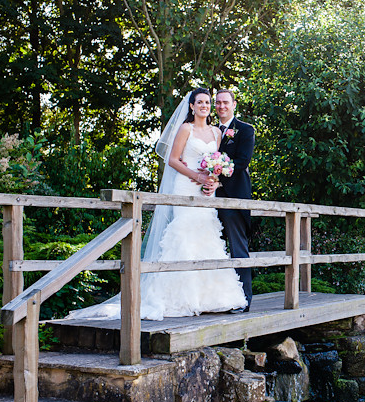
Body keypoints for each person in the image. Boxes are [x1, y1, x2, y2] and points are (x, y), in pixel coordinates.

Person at [65, 88, 247, 321]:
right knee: (184, 235)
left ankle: (209, 297)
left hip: (205, 193)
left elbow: (217, 164)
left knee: (207, 235)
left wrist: (212, 181)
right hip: (185, 186)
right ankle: (182, 296)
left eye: (207, 102)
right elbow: (172, 160)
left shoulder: (216, 133)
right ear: (191, 106)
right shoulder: (185, 129)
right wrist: (196, 175)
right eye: (199, 102)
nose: (204, 105)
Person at [214, 87, 255, 311]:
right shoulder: (210, 131)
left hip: (233, 197)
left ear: (233, 104)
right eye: (218, 102)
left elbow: (241, 162)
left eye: (225, 102)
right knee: (211, 247)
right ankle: (217, 298)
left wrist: (218, 178)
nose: (221, 106)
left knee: (238, 248)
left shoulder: (245, 130)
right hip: (207, 198)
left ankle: (244, 299)